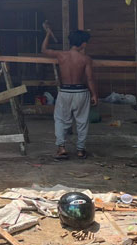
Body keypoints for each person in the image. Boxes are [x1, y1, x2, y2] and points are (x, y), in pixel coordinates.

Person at [42, 27, 98, 159]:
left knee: (60, 120)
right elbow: (90, 78)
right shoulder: (85, 59)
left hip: (65, 91)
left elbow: (43, 50)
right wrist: (94, 94)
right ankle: (80, 150)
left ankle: (61, 148)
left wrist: (48, 34)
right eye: (86, 42)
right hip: (81, 92)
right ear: (83, 43)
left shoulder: (61, 55)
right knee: (82, 121)